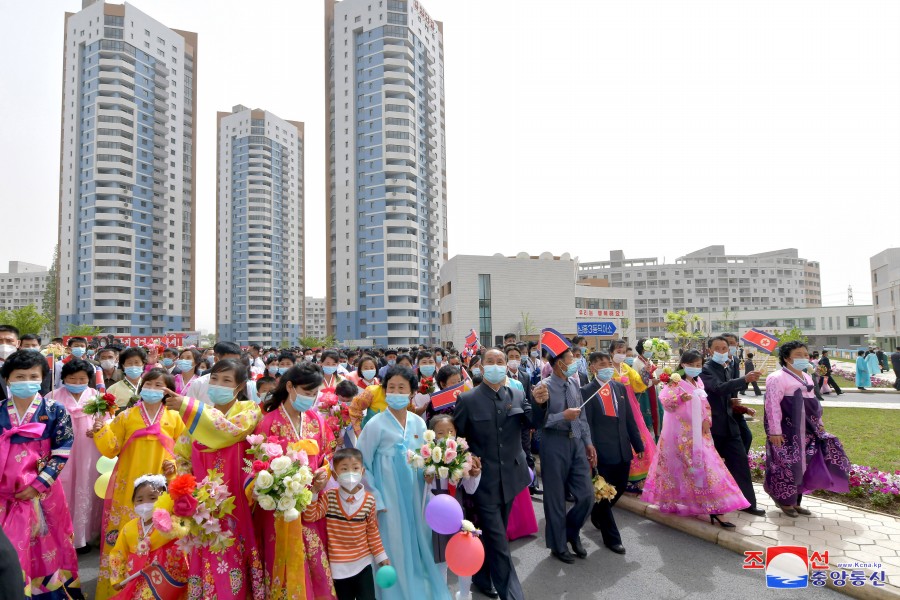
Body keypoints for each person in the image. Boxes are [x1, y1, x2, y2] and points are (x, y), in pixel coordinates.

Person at [166, 359, 265, 599]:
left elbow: (227, 430)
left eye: (226, 380)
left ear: (240, 386)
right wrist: (186, 489)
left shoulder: (249, 410)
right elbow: (183, 456)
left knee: (233, 548)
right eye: (214, 379)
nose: (218, 384)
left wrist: (187, 407)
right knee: (206, 548)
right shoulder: (197, 416)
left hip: (237, 499)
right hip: (203, 501)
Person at [355, 366, 451, 600]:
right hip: (389, 498)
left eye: (401, 388)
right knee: (394, 546)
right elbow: (362, 464)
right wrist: (375, 497)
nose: (395, 392)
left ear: (411, 392)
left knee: (420, 543)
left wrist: (429, 474)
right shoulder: (375, 424)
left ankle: (419, 592)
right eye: (391, 388)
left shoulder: (418, 424)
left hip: (416, 495)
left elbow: (426, 457)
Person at [92, 368, 185, 600]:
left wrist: (174, 464)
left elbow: (184, 450)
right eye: (149, 384)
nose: (152, 389)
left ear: (168, 391)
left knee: (161, 536)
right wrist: (100, 429)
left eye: (158, 385)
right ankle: (120, 587)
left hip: (162, 482)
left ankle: (160, 588)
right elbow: (111, 447)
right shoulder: (126, 416)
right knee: (127, 532)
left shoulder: (175, 417)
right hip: (129, 483)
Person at [0, 350, 84, 599]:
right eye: (19, 376)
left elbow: (62, 451)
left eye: (33, 376)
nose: (26, 381)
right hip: (4, 494)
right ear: (7, 380)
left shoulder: (56, 410)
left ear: (42, 379)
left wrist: (37, 485)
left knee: (48, 546)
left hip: (43, 494)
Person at [455, 349, 537, 600]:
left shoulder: (518, 393)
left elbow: (534, 422)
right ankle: (512, 595)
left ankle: (481, 577)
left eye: (500, 362)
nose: (496, 366)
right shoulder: (467, 400)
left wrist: (540, 404)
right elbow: (457, 440)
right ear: (480, 367)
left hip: (512, 478)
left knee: (494, 534)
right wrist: (468, 460)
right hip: (484, 482)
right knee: (500, 542)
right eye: (490, 362)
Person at [253, 363, 336, 600]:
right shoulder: (268, 422)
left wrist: (324, 472)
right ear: (290, 387)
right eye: (307, 393)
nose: (311, 399)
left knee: (314, 557)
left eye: (314, 394)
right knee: (284, 558)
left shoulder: (316, 420)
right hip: (279, 508)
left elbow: (327, 454)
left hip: (310, 503)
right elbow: (258, 466)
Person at [643, 350, 750, 527]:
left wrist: (707, 420)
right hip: (681, 435)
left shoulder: (698, 381)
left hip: (700, 433)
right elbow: (666, 403)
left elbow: (705, 404)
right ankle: (704, 505)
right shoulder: (675, 381)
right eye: (691, 365)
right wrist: (679, 398)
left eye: (698, 365)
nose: (695, 368)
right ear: (683, 364)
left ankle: (716, 508)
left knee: (708, 468)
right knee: (688, 469)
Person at [764, 342, 851, 516]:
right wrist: (775, 431)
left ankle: (796, 501)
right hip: (786, 432)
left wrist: (820, 424)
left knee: (804, 465)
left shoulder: (807, 377)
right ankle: (784, 501)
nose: (804, 358)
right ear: (787, 358)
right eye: (798, 354)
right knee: (786, 465)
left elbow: (814, 405)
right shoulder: (777, 378)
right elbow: (772, 405)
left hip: (808, 430)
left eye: (805, 354)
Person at [531, 344, 597, 565]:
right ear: (558, 363)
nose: (575, 363)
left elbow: (583, 416)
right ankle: (558, 546)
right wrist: (562, 416)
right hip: (554, 443)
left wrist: (588, 443)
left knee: (587, 495)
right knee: (555, 499)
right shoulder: (543, 388)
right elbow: (538, 422)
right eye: (570, 359)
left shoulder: (574, 385)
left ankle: (571, 531)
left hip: (576, 442)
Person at [302, 447, 389, 600]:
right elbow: (310, 516)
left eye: (355, 468)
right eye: (344, 469)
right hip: (338, 568)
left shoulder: (369, 500)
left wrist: (381, 558)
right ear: (334, 475)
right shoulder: (330, 497)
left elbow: (372, 531)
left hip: (363, 564)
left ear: (362, 472)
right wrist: (315, 491)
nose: (350, 473)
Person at [581, 352, 644, 554]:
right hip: (600, 452)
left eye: (609, 363)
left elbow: (629, 419)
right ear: (592, 368)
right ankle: (612, 538)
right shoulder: (586, 392)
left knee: (620, 486)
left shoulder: (619, 387)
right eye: (601, 364)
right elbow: (586, 424)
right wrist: (589, 447)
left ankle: (596, 512)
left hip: (622, 448)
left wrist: (638, 444)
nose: (607, 366)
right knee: (604, 494)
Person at [699, 336, 766, 517]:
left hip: (730, 425)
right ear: (710, 351)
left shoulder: (726, 368)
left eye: (724, 348)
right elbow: (718, 388)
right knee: (710, 467)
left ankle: (747, 503)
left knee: (740, 463)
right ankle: (708, 502)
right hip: (713, 427)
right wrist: (744, 379)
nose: (721, 351)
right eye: (717, 348)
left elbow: (724, 395)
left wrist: (738, 406)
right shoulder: (705, 370)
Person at [424, 415, 482, 599]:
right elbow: (421, 493)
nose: (446, 437)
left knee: (464, 556)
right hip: (435, 518)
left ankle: (464, 594)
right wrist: (426, 480)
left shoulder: (463, 457)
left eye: (451, 432)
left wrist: (475, 474)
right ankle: (441, 595)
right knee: (440, 559)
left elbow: (471, 490)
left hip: (458, 516)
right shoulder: (426, 459)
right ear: (431, 435)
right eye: (440, 433)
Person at [50, 358, 103, 553]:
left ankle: (84, 536)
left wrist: (100, 428)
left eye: (82, 379)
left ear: (88, 379)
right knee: (63, 488)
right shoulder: (53, 395)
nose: (77, 383)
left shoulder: (97, 397)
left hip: (89, 449)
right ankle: (60, 536)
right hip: (62, 449)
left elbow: (108, 422)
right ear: (64, 378)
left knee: (86, 485)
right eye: (72, 378)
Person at [107, 475, 188, 598]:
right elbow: (118, 553)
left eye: (152, 498)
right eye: (139, 500)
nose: (145, 504)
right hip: (135, 577)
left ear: (164, 499)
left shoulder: (171, 524)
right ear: (133, 502)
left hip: (164, 581)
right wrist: (117, 578)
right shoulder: (128, 528)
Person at [608, 340, 656, 491]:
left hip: (630, 406)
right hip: (613, 406)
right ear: (611, 353)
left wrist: (646, 372)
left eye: (623, 352)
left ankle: (639, 476)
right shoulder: (606, 368)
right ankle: (624, 476)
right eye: (618, 352)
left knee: (637, 434)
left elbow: (638, 384)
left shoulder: (626, 368)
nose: (621, 355)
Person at [723, 333, 755, 455]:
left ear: (737, 345)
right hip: (722, 408)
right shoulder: (715, 364)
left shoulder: (735, 361)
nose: (729, 346)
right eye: (726, 343)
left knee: (746, 436)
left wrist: (748, 380)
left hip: (734, 407)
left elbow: (736, 384)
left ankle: (741, 462)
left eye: (732, 343)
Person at [632, 339, 664, 439]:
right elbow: (636, 381)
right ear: (642, 349)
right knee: (647, 417)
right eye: (648, 349)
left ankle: (657, 439)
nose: (650, 352)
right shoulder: (636, 362)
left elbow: (652, 376)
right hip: (644, 394)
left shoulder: (648, 360)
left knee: (658, 414)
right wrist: (651, 382)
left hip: (653, 391)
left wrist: (658, 380)